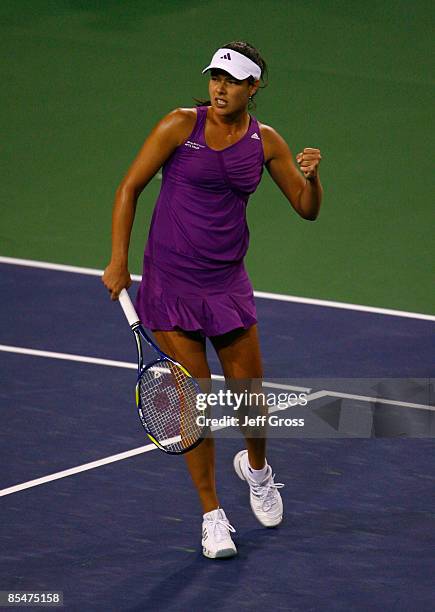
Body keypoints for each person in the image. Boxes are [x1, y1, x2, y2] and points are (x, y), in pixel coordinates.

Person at [102, 41, 322, 559]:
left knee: (251, 399)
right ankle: (212, 515)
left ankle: (258, 470)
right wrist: (118, 259)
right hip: (170, 284)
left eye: (232, 80)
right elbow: (129, 187)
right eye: (214, 78)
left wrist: (313, 180)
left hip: (225, 284)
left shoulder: (266, 142)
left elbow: (306, 209)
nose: (220, 88)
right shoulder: (179, 126)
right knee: (193, 406)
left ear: (253, 88)